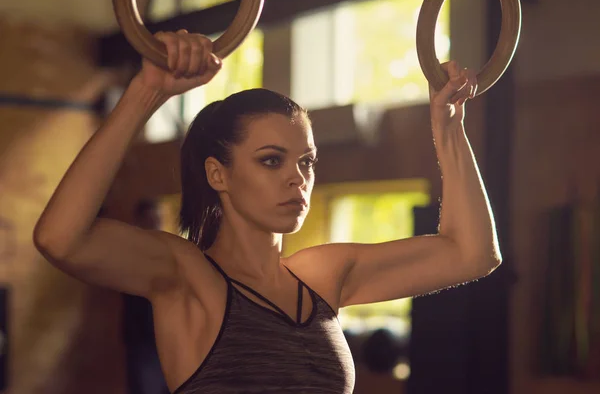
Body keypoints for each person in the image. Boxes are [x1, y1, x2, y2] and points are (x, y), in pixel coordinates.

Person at [33, 29, 501, 393]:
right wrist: (146, 93)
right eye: (271, 160)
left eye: (307, 162)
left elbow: (473, 253)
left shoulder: (321, 276)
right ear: (218, 175)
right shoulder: (187, 276)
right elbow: (60, 238)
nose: (297, 178)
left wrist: (449, 126)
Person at [122, 199, 170, 394]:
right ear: (139, 222)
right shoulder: (131, 257)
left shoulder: (169, 253)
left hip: (169, 342)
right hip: (144, 341)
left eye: (157, 219)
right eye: (150, 219)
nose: (155, 223)